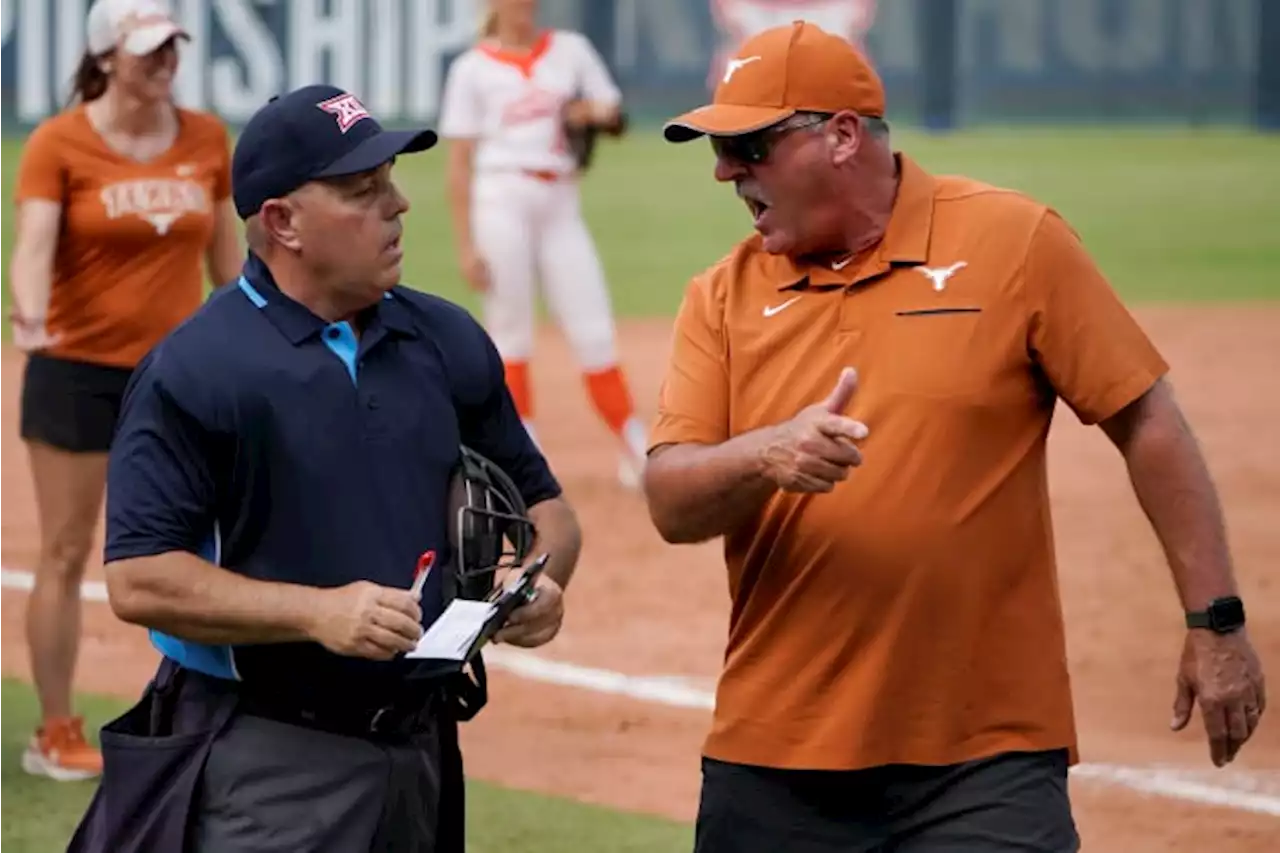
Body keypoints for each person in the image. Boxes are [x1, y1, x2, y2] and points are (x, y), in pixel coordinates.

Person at [643, 21, 1267, 853]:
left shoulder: (1013, 244)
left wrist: (1215, 620)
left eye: (751, 145)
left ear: (841, 135)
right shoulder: (719, 297)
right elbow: (670, 500)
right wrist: (766, 452)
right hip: (775, 755)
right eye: (720, 149)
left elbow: (1146, 417)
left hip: (987, 761)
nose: (726, 171)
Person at [67, 84, 582, 853]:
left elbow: (549, 509)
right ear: (283, 222)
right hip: (268, 759)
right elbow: (139, 578)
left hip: (422, 747)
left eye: (391, 181)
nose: (398, 204)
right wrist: (315, 611)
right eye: (363, 190)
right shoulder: (199, 369)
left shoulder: (444, 339)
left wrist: (544, 584)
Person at [8, 0, 241, 781]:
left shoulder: (207, 137)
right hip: (74, 371)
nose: (163, 61)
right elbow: (35, 242)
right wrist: (29, 310)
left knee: (197, 546)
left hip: (175, 377)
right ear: (107, 57)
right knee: (68, 548)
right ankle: (55, 727)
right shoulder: (59, 141)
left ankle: (204, 709)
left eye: (171, 46)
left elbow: (228, 265)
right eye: (147, 50)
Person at [437, 0, 650, 487]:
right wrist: (465, 244)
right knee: (511, 333)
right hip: (501, 199)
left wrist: (591, 111)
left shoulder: (569, 51)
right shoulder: (472, 69)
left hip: (560, 199)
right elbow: (458, 163)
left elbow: (614, 114)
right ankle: (523, 457)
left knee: (592, 324)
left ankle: (635, 446)